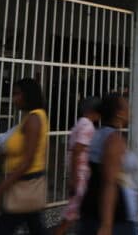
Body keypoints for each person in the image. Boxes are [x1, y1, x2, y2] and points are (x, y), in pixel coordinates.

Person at [0, 78, 49, 234]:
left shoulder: (34, 119)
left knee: (4, 229)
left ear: (28, 95)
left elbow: (27, 160)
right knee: (35, 226)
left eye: (17, 94)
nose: (14, 99)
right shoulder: (30, 118)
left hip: (24, 184)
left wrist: (0, 189)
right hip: (25, 184)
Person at [79, 93, 138, 235]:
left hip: (90, 206)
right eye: (127, 107)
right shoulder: (114, 141)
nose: (130, 111)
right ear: (119, 113)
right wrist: (107, 224)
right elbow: (109, 182)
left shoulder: (98, 134)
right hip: (114, 214)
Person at [54, 97, 102, 235]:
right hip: (80, 172)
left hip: (80, 171)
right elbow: (77, 151)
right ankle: (60, 231)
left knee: (81, 206)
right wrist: (74, 178)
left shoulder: (81, 122)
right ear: (94, 111)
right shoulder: (87, 126)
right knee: (75, 206)